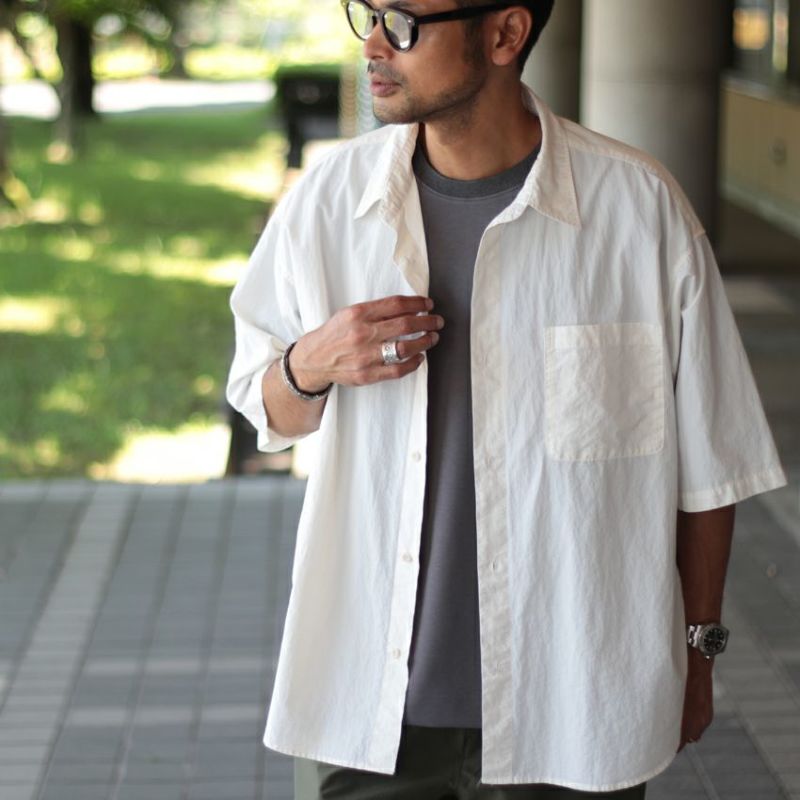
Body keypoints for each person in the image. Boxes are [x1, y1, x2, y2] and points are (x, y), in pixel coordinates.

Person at [225, 0, 789, 796]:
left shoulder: (638, 211)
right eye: (369, 14)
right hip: (371, 711)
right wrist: (310, 363)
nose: (375, 44)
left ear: (504, 33)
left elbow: (710, 470)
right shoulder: (330, 204)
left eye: (405, 22)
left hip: (574, 707)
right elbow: (264, 408)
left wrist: (699, 654)